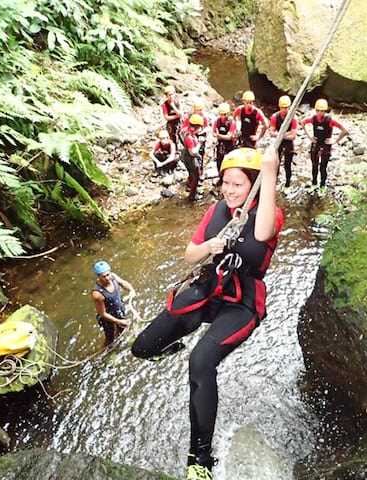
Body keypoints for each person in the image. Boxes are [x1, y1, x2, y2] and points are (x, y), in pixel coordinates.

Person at [131, 147, 282, 480]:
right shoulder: (216, 210)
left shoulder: (266, 212)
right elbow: (190, 255)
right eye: (226, 182)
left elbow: (262, 233)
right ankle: (168, 348)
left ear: (253, 185)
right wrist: (208, 248)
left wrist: (269, 174)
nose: (229, 190)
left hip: (242, 303)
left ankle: (199, 460)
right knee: (142, 348)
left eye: (238, 184)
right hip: (211, 287)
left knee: (200, 362)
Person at [301, 98, 348, 196]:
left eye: (322, 111)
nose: (320, 113)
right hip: (316, 144)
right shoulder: (313, 119)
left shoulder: (330, 120)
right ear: (315, 110)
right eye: (318, 110)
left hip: (326, 146)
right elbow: (302, 122)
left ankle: (322, 186)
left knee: (323, 167)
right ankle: (314, 183)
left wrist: (335, 141)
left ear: (325, 110)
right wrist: (309, 136)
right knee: (314, 165)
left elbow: (344, 130)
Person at [91, 261, 136, 347]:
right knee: (109, 338)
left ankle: (120, 343)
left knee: (121, 329)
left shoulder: (113, 277)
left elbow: (123, 283)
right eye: (104, 276)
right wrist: (119, 321)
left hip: (118, 311)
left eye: (108, 274)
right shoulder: (97, 294)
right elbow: (102, 313)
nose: (107, 278)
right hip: (107, 318)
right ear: (98, 276)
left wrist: (131, 289)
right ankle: (106, 353)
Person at [268, 95, 298, 193]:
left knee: (287, 165)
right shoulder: (275, 117)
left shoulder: (293, 118)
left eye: (286, 108)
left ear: (289, 107)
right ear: (279, 107)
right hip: (279, 143)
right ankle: (274, 182)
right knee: (276, 163)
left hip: (288, 143)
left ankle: (288, 184)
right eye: (282, 108)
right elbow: (271, 133)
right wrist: (285, 134)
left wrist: (280, 134)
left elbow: (293, 135)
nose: (284, 110)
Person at [180, 114, 205, 201]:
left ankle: (189, 186)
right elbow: (193, 152)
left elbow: (180, 133)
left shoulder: (185, 130)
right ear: (195, 127)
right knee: (196, 176)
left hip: (185, 156)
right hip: (190, 158)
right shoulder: (189, 138)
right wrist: (199, 143)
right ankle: (192, 195)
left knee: (191, 173)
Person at [211, 102, 236, 183]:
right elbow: (213, 132)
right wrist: (217, 136)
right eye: (221, 114)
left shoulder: (231, 122)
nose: (223, 116)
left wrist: (219, 136)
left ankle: (231, 178)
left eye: (225, 114)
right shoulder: (217, 121)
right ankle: (221, 178)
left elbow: (230, 136)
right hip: (220, 144)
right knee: (219, 162)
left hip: (229, 145)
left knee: (230, 162)